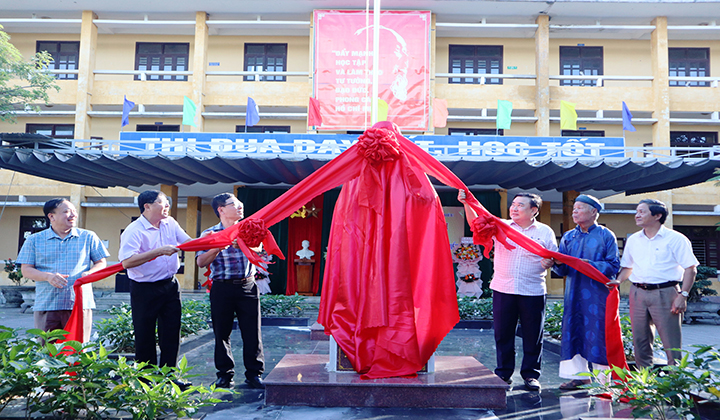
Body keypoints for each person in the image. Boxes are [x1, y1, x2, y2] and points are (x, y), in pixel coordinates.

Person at [459, 191, 557, 391]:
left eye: (520, 205)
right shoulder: (501, 226)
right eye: (513, 204)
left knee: (533, 335)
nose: (514, 208)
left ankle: (530, 375)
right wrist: (466, 202)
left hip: (533, 289)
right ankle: (503, 373)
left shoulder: (545, 231)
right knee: (503, 334)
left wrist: (549, 262)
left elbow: (553, 256)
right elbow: (476, 224)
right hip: (504, 288)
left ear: (533, 210)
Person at [609, 199, 698, 367]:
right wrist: (618, 280)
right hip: (638, 293)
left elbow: (690, 269)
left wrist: (683, 295)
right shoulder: (634, 239)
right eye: (637, 211)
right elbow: (628, 267)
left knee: (671, 342)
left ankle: (675, 384)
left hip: (666, 293)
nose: (637, 215)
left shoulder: (676, 239)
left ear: (657, 215)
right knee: (640, 340)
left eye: (642, 212)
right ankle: (644, 384)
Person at [196, 193, 265, 389]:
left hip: (247, 286)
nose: (240, 207)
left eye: (240, 203)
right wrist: (217, 247)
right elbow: (200, 262)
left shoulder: (249, 229)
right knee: (221, 332)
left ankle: (254, 374)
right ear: (221, 209)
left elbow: (262, 251)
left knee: (252, 332)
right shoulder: (209, 234)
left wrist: (248, 245)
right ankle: (225, 375)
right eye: (234, 204)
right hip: (221, 287)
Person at [551, 194, 620, 390]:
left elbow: (614, 265)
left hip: (597, 293)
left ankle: (603, 380)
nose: (575, 212)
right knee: (574, 331)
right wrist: (556, 263)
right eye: (574, 209)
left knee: (596, 333)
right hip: (573, 293)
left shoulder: (606, 235)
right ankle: (579, 377)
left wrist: (591, 266)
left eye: (580, 208)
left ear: (593, 212)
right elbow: (562, 269)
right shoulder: (568, 237)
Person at [17, 198, 109, 342]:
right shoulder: (34, 240)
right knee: (48, 353)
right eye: (66, 211)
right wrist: (48, 276)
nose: (73, 215)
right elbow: (26, 270)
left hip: (79, 304)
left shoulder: (88, 237)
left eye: (74, 211)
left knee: (78, 351)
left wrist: (89, 274)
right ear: (51, 216)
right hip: (47, 304)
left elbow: (101, 262)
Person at [118, 190, 191, 369]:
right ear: (147, 206)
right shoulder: (134, 230)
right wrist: (158, 251)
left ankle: (169, 376)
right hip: (144, 288)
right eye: (163, 203)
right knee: (145, 334)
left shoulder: (170, 223)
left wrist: (210, 240)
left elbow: (188, 242)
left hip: (170, 285)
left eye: (168, 203)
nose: (167, 206)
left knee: (172, 332)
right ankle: (146, 378)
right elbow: (127, 261)